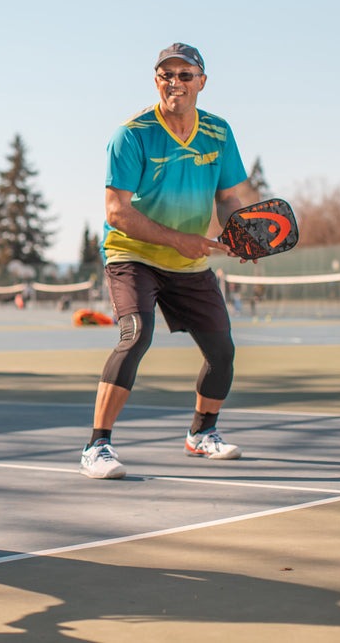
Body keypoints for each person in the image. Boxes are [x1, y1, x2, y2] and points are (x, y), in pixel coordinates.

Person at [80, 43, 251, 480]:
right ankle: (97, 445)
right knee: (135, 335)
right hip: (132, 253)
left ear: (202, 82)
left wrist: (239, 235)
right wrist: (180, 239)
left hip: (190, 263)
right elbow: (116, 211)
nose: (175, 82)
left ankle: (201, 433)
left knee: (222, 351)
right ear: (156, 80)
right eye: (166, 74)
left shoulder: (218, 132)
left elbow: (230, 197)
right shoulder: (132, 134)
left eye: (185, 74)